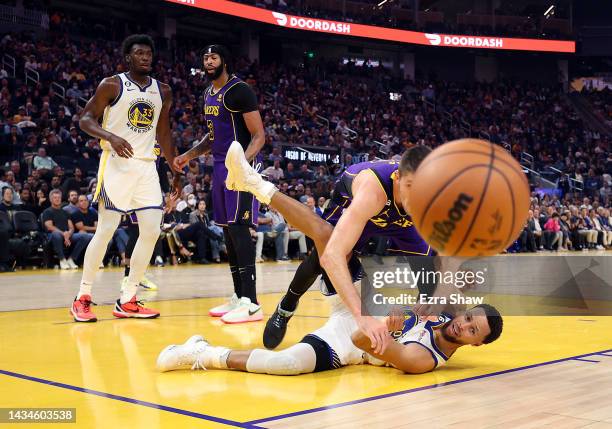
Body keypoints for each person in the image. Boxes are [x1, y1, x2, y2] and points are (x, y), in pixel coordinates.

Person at [225, 142, 441, 353]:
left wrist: (425, 305)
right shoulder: (372, 191)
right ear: (397, 177)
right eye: (411, 186)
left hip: (396, 221)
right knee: (325, 244)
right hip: (352, 207)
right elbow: (331, 257)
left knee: (427, 283)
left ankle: (251, 181)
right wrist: (362, 317)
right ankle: (287, 304)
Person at [70, 34, 180, 323]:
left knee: (152, 231)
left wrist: (174, 168)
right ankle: (83, 296)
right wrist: (110, 136)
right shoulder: (112, 84)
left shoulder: (163, 90)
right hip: (117, 163)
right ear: (128, 57)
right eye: (139, 53)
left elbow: (164, 133)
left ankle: (128, 298)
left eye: (149, 53)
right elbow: (85, 119)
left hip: (146, 167)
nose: (145, 57)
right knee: (106, 231)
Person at [157, 299, 503, 375]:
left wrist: (390, 331)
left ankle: (202, 353)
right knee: (335, 240)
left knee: (287, 363)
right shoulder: (448, 310)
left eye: (473, 331)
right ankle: (259, 187)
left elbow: (359, 339)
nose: (464, 326)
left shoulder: (423, 359)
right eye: (469, 319)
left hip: (348, 338)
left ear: (476, 344)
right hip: (361, 303)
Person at [173, 44, 265, 324]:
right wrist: (188, 155)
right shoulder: (207, 95)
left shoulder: (240, 91)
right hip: (219, 168)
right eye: (205, 58)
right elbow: (212, 137)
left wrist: (241, 163)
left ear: (224, 60)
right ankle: (239, 297)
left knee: (239, 230)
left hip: (240, 169)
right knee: (227, 232)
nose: (209, 61)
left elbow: (259, 135)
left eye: (214, 57)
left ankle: (252, 303)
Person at [42, 189, 92, 270]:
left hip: (67, 235)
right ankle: (62, 260)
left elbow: (71, 227)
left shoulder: (65, 212)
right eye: (55, 198)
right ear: (50, 199)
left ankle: (71, 259)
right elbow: (49, 226)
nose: (57, 199)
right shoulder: (47, 212)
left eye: (59, 197)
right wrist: (64, 234)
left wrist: (69, 233)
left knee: (85, 236)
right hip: (53, 236)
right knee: (56, 234)